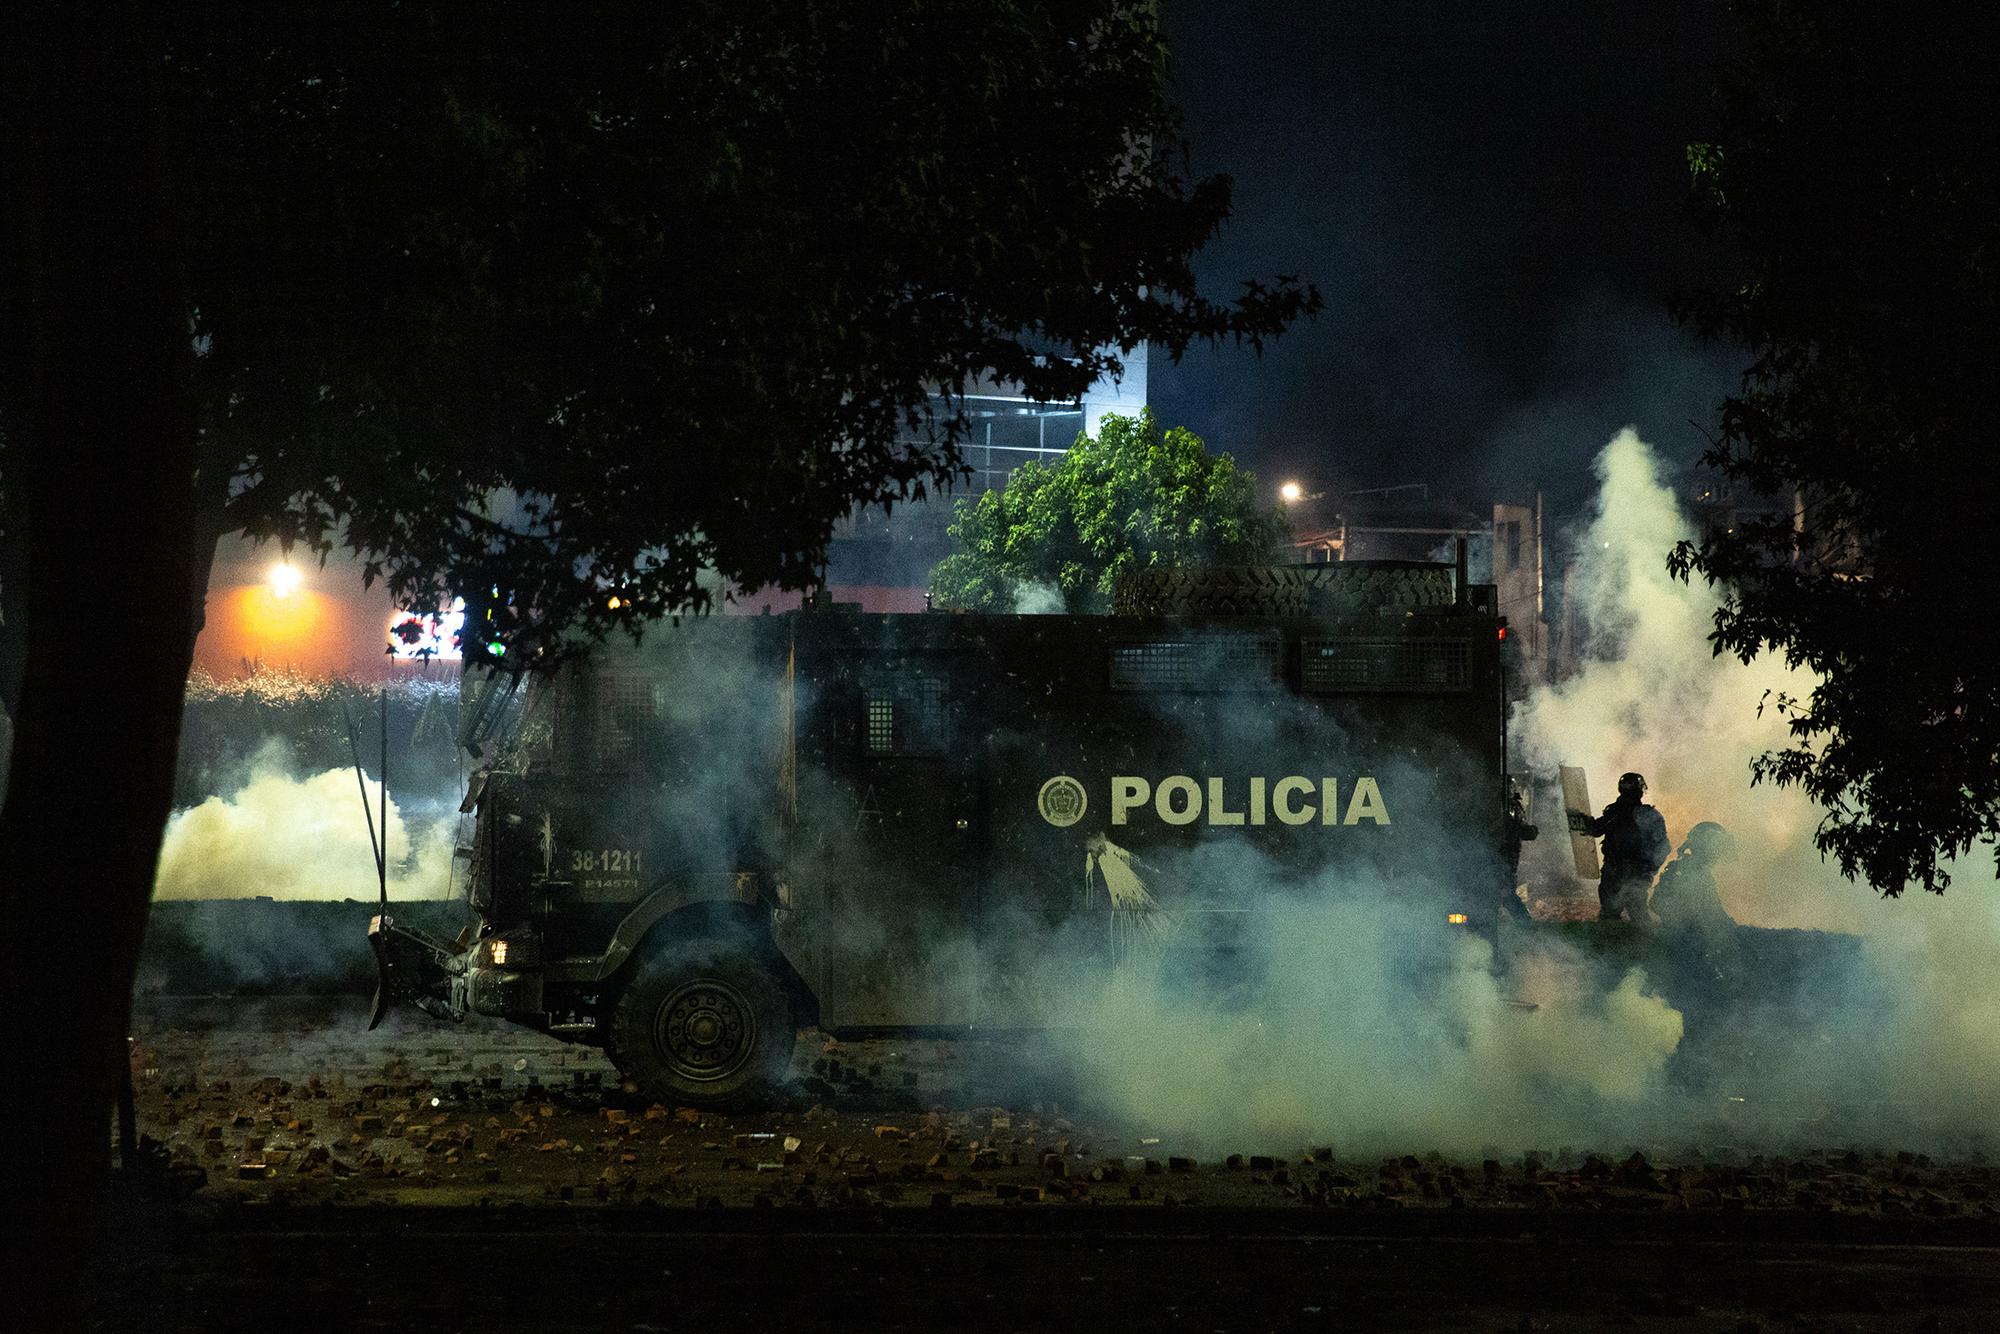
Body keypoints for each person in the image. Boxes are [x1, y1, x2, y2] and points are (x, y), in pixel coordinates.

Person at [1572, 771, 1670, 922]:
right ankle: (1644, 944)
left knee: (1611, 916)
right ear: (1640, 790)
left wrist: (1581, 820)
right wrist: (1649, 870)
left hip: (1617, 871)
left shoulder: (1615, 813)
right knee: (1638, 917)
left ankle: (1611, 944)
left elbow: (1596, 829)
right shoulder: (1648, 815)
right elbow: (1663, 847)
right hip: (1630, 872)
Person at [1651, 821, 1737, 938]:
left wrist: (1730, 926)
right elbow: (1657, 902)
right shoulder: (1684, 870)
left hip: (1691, 936)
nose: (1717, 854)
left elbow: (1714, 909)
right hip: (1682, 939)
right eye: (1716, 847)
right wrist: (1682, 923)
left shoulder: (1700, 872)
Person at [1501, 783, 1538, 920]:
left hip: (1505, 856)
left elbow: (1518, 829)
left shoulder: (1512, 807)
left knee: (1505, 893)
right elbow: (1520, 830)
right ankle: (1525, 923)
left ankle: (1524, 923)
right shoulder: (1512, 807)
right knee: (1506, 894)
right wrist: (1531, 831)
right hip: (1504, 856)